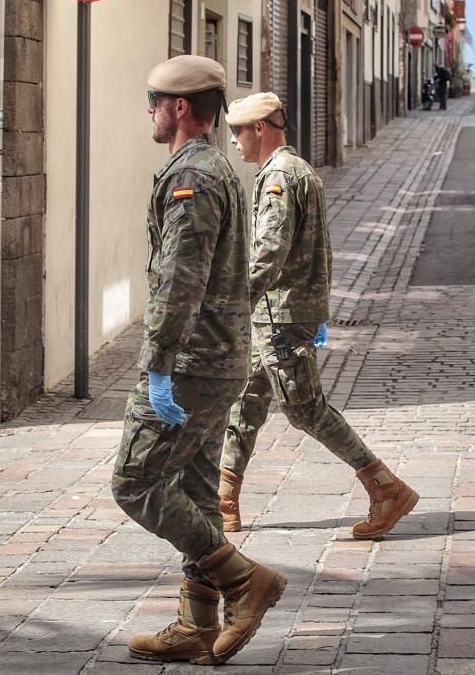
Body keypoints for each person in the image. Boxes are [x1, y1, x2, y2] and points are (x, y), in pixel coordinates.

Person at [111, 57, 286, 666]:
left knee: (134, 482)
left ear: (181, 107)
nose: (150, 109)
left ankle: (245, 581)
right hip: (219, 358)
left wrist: (158, 362)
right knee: (197, 489)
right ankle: (196, 624)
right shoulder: (212, 169)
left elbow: (179, 279)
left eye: (154, 99)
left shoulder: (194, 178)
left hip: (191, 362)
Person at [218, 92, 420, 541]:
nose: (233, 141)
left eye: (237, 131)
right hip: (280, 312)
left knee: (305, 409)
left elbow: (269, 251)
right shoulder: (293, 171)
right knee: (247, 398)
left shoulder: (279, 178)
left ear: (260, 129)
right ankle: (224, 497)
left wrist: (235, 302)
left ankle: (386, 486)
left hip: (283, 314)